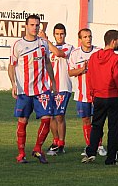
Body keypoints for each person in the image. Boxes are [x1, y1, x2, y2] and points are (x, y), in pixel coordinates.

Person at [8, 14, 58, 164]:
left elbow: (48, 63)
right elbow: (11, 66)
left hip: (42, 89)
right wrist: (13, 84)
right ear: (26, 26)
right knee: (23, 121)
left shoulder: (43, 43)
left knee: (47, 119)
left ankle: (37, 148)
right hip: (24, 90)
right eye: (32, 25)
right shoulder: (18, 45)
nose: (35, 28)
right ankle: (21, 153)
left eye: (37, 25)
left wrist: (53, 82)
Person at [82, 30, 118, 165]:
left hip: (98, 97)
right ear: (114, 41)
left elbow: (89, 77)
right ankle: (111, 158)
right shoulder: (116, 59)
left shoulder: (93, 57)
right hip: (114, 97)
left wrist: (92, 94)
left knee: (96, 125)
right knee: (114, 128)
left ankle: (91, 152)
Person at [67, 28, 104, 157]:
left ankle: (99, 145)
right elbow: (70, 72)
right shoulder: (75, 53)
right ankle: (89, 146)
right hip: (82, 94)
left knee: (98, 120)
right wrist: (82, 70)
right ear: (80, 39)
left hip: (97, 94)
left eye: (90, 36)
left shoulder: (99, 52)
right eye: (85, 37)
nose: (88, 39)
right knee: (86, 120)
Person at [39, 23, 74, 156]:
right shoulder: (47, 47)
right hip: (49, 86)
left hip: (63, 86)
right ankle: (55, 141)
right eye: (57, 34)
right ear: (54, 34)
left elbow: (59, 53)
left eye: (62, 34)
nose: (60, 36)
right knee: (51, 115)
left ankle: (61, 143)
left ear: (65, 34)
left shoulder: (69, 47)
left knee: (59, 115)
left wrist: (45, 40)